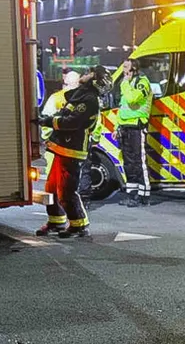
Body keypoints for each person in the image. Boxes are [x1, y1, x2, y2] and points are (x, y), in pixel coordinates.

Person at [35, 66, 112, 238]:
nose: (85, 74)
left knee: (66, 190)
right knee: (52, 188)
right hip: (62, 147)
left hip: (72, 150)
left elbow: (72, 122)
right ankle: (56, 221)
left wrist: (48, 121)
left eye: (90, 72)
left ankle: (79, 225)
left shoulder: (89, 99)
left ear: (95, 79)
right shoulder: (81, 94)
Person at [115, 58, 152, 207]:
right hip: (125, 128)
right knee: (129, 164)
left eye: (126, 67)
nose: (123, 69)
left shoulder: (142, 82)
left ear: (134, 69)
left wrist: (125, 83)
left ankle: (144, 196)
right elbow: (123, 107)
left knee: (139, 163)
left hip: (137, 127)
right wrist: (117, 127)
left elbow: (131, 100)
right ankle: (132, 195)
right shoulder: (129, 84)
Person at [41, 69, 81, 177]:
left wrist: (47, 137)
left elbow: (46, 120)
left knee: (54, 174)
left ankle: (55, 193)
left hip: (56, 144)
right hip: (76, 146)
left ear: (64, 84)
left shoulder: (55, 98)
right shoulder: (85, 99)